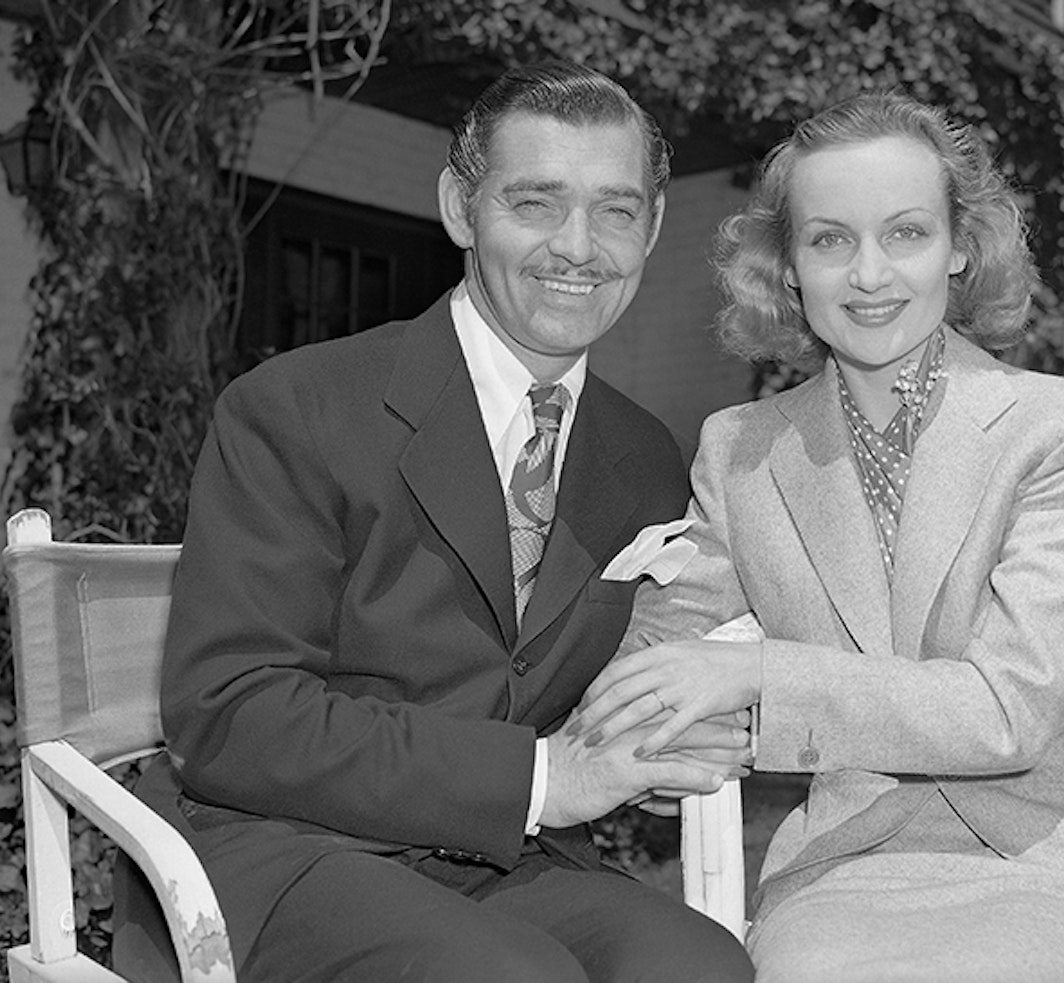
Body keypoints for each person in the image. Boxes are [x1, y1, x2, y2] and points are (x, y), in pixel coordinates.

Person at [112, 61, 755, 983]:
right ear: (461, 207)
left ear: (651, 228)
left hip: (501, 859)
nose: (578, 247)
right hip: (284, 851)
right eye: (536, 202)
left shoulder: (647, 453)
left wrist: (655, 742)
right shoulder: (295, 407)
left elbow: (571, 690)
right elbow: (230, 715)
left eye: (616, 210)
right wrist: (543, 778)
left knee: (700, 966)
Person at [572, 92, 1064, 982]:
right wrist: (662, 738)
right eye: (829, 239)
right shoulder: (740, 451)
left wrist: (751, 677)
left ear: (961, 246)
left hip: (1061, 864)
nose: (869, 275)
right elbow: (655, 657)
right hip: (846, 871)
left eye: (905, 233)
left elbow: (1006, 714)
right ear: (787, 267)